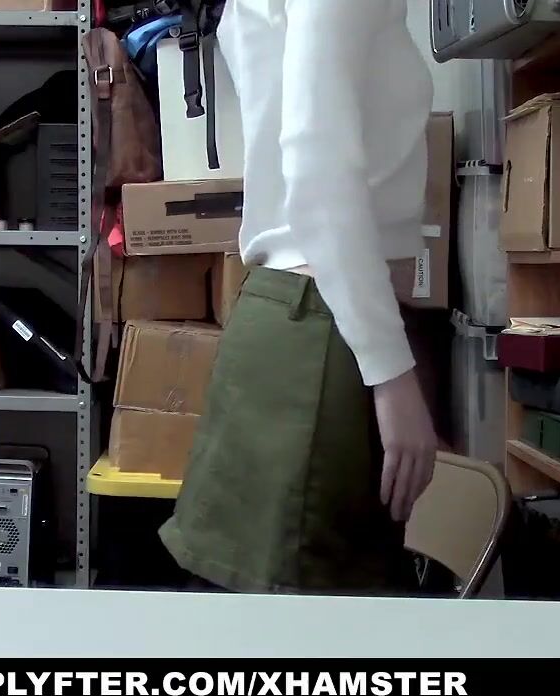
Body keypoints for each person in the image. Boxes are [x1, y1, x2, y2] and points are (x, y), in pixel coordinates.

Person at [159, 0, 438, 593]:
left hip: (305, 319)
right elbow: (317, 162)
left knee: (282, 616)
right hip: (325, 333)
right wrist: (392, 374)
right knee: (317, 619)